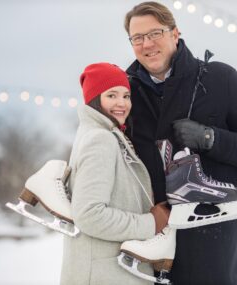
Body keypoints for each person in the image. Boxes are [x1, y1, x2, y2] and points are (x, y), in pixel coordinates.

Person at [123, 2, 237, 284]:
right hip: (148, 241)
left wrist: (210, 138)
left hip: (210, 238)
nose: (147, 44)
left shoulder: (219, 78)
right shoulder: (125, 93)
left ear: (175, 33)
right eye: (137, 38)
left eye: (155, 33)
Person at [60, 62, 170, 285]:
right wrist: (151, 223)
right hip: (106, 273)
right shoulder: (100, 139)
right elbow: (90, 215)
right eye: (111, 95)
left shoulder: (95, 133)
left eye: (126, 96)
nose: (122, 103)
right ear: (94, 99)